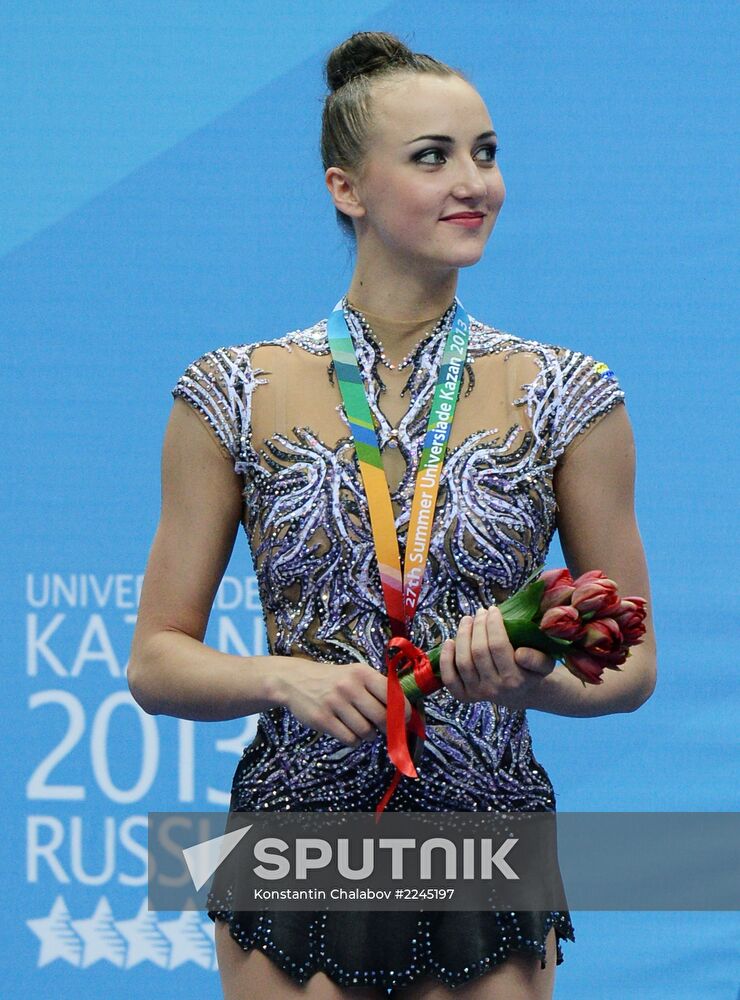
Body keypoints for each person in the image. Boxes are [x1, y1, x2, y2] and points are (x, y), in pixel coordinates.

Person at [128, 30, 656, 1000]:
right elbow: (156, 659)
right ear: (346, 188)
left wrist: (522, 682)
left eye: (485, 153)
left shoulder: (570, 393)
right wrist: (281, 678)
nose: (474, 182)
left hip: (482, 820)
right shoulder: (229, 391)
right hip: (295, 824)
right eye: (432, 157)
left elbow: (632, 665)